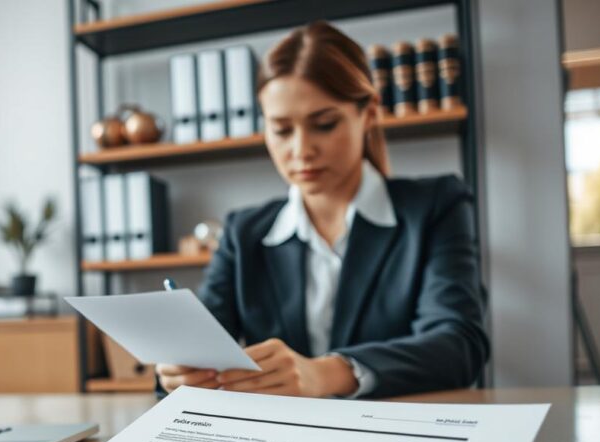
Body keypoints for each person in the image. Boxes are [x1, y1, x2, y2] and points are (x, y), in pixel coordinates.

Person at [156, 21, 489, 399]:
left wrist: (328, 373)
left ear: (368, 114)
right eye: (282, 130)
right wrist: (177, 371)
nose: (301, 150)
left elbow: (460, 344)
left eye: (324, 124)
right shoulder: (243, 231)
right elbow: (208, 345)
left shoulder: (435, 206)